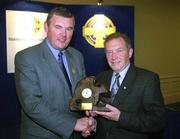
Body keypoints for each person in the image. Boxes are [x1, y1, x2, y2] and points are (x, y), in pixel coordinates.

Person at [15, 7, 95, 139]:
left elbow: (82, 94)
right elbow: (33, 104)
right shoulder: (26, 57)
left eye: (69, 29)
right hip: (42, 135)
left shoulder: (77, 56)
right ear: (46, 27)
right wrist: (73, 124)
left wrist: (88, 115)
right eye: (58, 27)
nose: (63, 34)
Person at [87, 32, 165, 139]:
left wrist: (120, 117)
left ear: (130, 53)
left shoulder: (147, 79)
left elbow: (157, 121)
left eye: (119, 50)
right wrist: (92, 119)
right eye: (109, 52)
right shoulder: (100, 78)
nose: (113, 57)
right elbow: (100, 114)